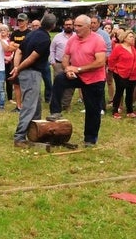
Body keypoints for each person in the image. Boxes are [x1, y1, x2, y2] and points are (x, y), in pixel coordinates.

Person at [48, 15, 106, 147]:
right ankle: (55, 111)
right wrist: (68, 69)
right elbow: (65, 57)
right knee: (60, 79)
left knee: (92, 110)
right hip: (76, 74)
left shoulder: (97, 40)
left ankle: (90, 139)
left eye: (79, 26)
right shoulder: (73, 40)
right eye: (75, 25)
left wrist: (78, 69)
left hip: (94, 79)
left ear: (88, 26)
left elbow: (100, 62)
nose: (76, 28)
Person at [10, 14, 56, 148]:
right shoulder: (45, 39)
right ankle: (19, 138)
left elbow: (19, 51)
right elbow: (31, 58)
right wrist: (18, 68)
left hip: (28, 72)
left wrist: (16, 66)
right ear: (53, 26)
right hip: (31, 72)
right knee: (29, 106)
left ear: (41, 22)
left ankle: (36, 133)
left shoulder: (32, 34)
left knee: (36, 106)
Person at [107, 30, 136, 119]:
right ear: (125, 38)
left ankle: (130, 111)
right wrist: (112, 69)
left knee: (130, 93)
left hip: (132, 74)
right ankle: (115, 110)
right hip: (120, 73)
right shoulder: (118, 48)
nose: (133, 38)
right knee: (119, 92)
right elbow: (111, 60)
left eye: (133, 37)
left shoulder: (133, 48)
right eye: (130, 37)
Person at [49, 18, 75, 111]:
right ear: (63, 25)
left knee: (71, 86)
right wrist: (53, 62)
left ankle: (66, 105)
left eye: (70, 24)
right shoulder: (57, 37)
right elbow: (52, 49)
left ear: (73, 25)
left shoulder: (76, 37)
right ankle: (56, 104)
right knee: (58, 85)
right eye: (66, 24)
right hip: (59, 64)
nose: (68, 26)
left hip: (73, 65)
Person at [9, 13, 31, 113]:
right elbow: (10, 46)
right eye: (19, 20)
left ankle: (27, 106)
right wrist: (21, 46)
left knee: (26, 85)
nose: (20, 22)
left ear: (27, 21)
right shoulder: (14, 33)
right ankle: (18, 106)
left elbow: (28, 47)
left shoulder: (29, 33)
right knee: (16, 84)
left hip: (26, 61)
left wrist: (16, 45)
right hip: (15, 61)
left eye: (22, 20)